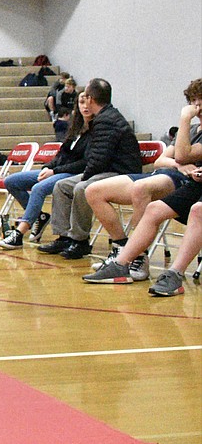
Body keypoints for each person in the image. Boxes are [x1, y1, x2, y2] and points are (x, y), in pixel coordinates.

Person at [83, 80, 202, 276]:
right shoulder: (189, 131)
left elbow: (182, 153)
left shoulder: (186, 124)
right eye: (194, 100)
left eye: (201, 100)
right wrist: (179, 165)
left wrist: (184, 118)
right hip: (170, 172)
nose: (197, 106)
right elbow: (161, 160)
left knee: (141, 188)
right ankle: (122, 247)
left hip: (185, 182)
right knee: (93, 190)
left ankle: (138, 258)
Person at [37, 78, 143, 261]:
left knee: (82, 187)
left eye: (86, 96)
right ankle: (64, 237)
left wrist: (84, 178)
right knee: (62, 186)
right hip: (107, 171)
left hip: (121, 173)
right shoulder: (104, 117)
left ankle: (80, 240)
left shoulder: (107, 121)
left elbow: (98, 160)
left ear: (92, 99)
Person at [0, 92, 92, 249]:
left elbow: (84, 163)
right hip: (58, 170)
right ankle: (39, 216)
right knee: (12, 181)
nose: (85, 106)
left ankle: (19, 234)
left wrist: (54, 172)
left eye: (88, 102)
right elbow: (61, 154)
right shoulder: (75, 128)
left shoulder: (96, 130)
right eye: (81, 102)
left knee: (38, 188)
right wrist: (48, 167)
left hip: (74, 173)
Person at [83, 168, 202, 288]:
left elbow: (183, 156)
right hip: (194, 182)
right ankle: (120, 265)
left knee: (198, 210)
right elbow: (162, 161)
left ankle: (175, 273)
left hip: (178, 179)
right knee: (153, 209)